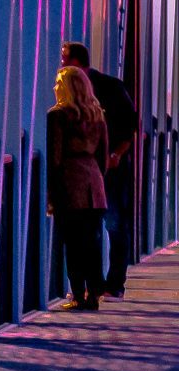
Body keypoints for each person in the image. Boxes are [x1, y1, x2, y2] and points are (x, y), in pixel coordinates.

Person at [61, 42, 138, 301]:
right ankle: (95, 287)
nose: (61, 65)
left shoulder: (110, 87)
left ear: (78, 61)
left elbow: (130, 125)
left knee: (113, 224)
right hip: (87, 172)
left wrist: (116, 154)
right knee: (93, 228)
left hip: (110, 170)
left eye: (65, 59)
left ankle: (114, 283)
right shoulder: (69, 92)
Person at [47, 66, 109, 310]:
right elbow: (103, 157)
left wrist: (51, 192)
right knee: (92, 243)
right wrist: (96, 178)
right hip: (94, 184)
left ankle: (77, 295)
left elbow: (55, 157)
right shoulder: (97, 115)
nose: (54, 87)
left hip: (70, 184)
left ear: (67, 87)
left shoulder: (58, 115)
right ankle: (94, 292)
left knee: (72, 242)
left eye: (58, 83)